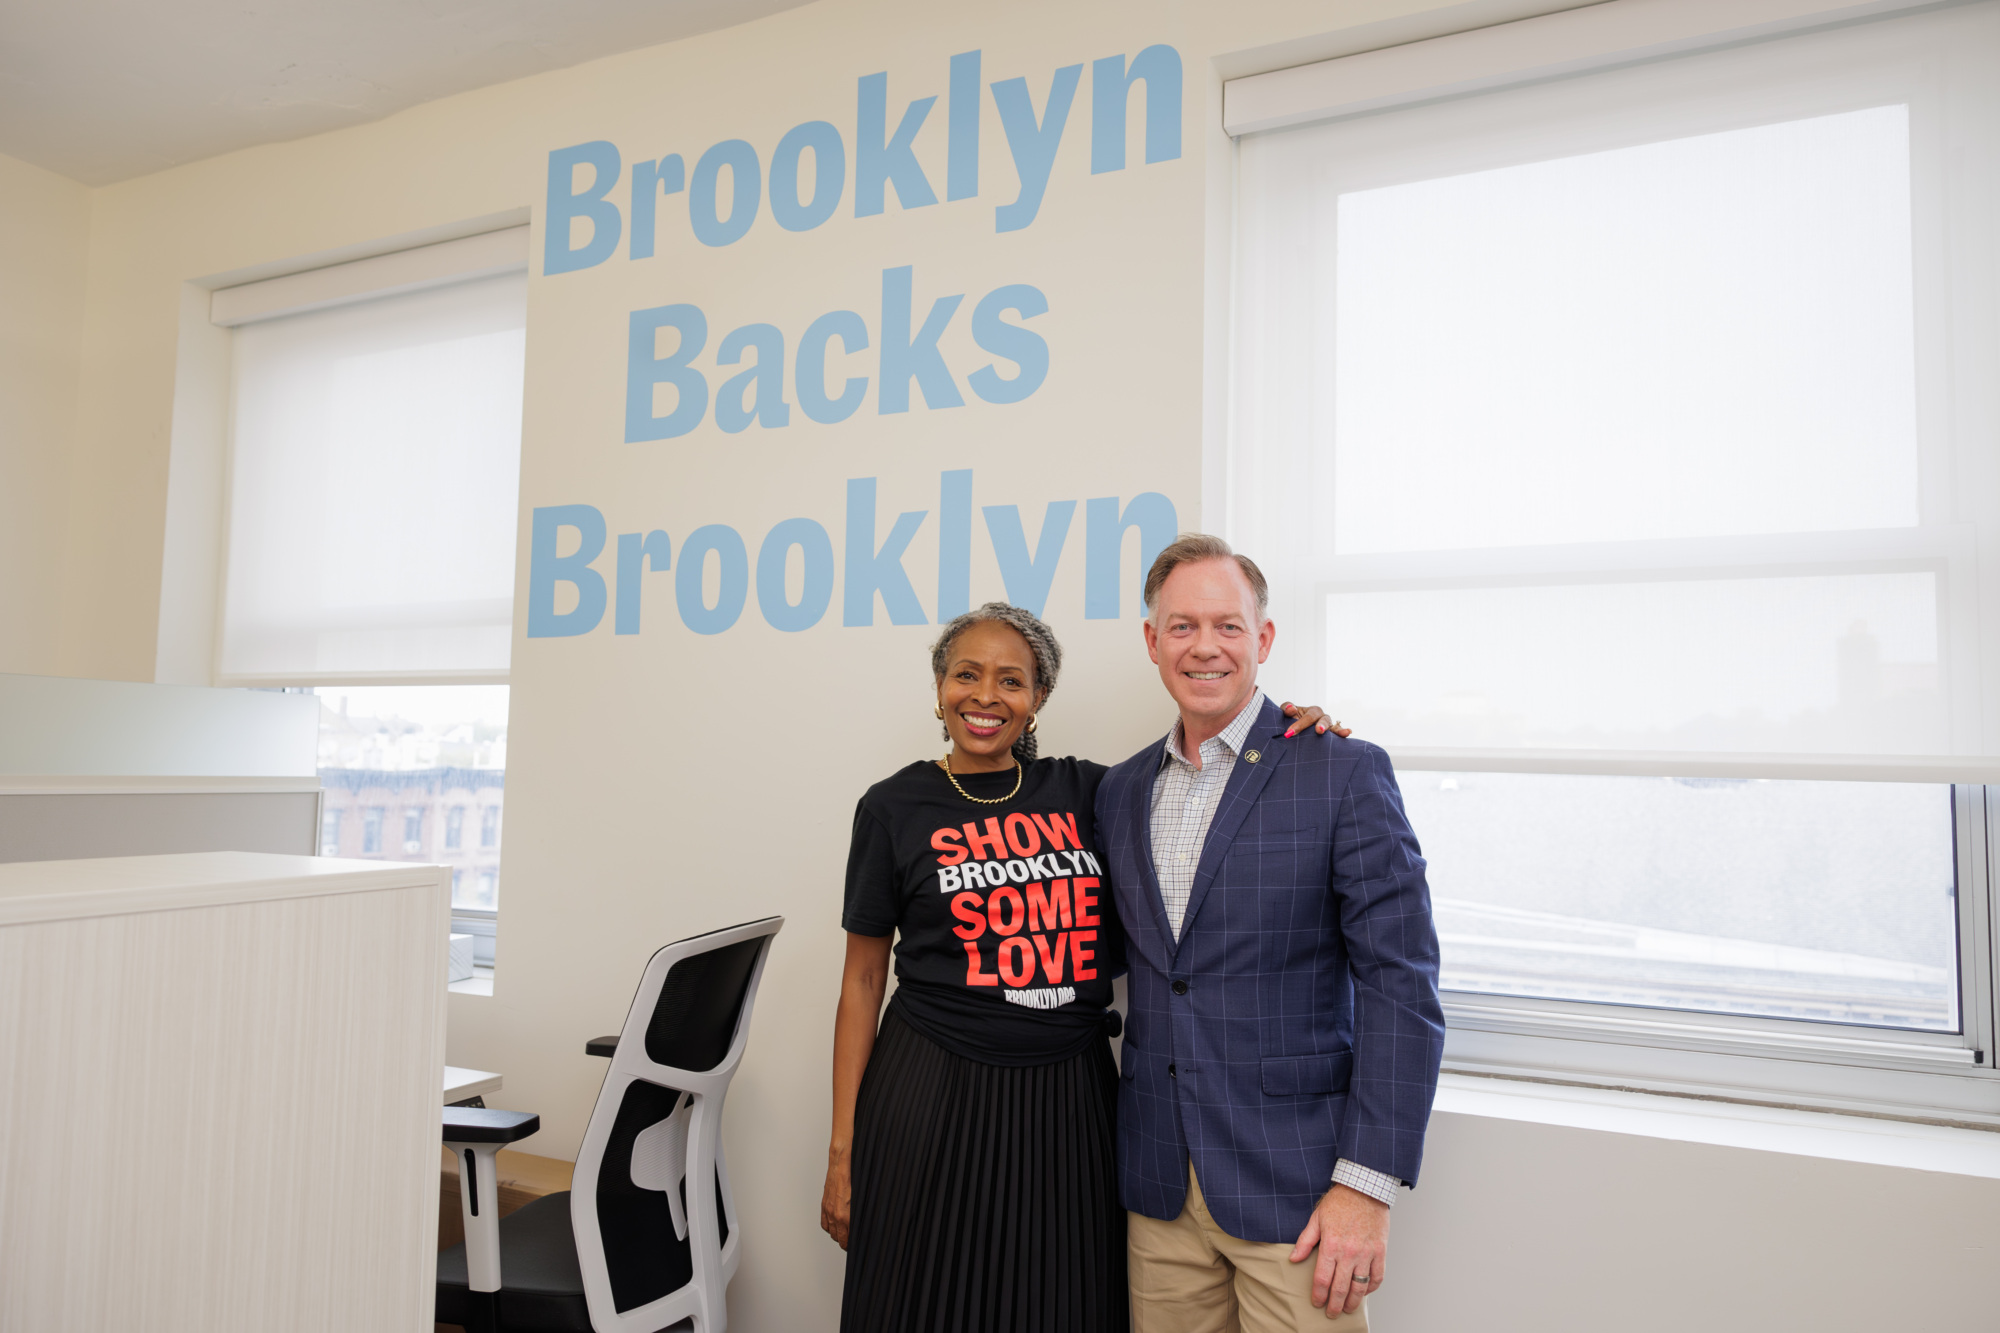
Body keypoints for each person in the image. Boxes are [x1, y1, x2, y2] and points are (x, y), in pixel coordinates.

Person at [823, 602, 1340, 1333]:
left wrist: (1290, 735)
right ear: (939, 686)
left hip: (1067, 1099)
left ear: (1037, 700)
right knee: (921, 1297)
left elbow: (1210, 781)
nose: (985, 695)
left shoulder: (1093, 791)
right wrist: (843, 1151)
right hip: (930, 1092)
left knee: (1059, 1297)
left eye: (1012, 680)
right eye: (966, 674)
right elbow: (862, 983)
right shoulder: (891, 807)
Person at [1095, 535, 1444, 1333]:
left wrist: (1366, 1185)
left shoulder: (1341, 770)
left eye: (1227, 625)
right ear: (1152, 641)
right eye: (1181, 626)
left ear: (1265, 638)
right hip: (1158, 1186)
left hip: (1299, 1188)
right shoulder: (1117, 792)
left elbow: (1402, 985)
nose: (1205, 646)